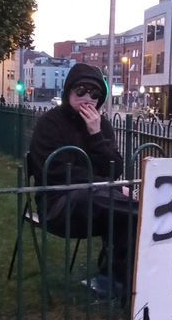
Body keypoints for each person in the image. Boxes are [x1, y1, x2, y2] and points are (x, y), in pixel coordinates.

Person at [29, 63, 138, 298]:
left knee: (126, 213)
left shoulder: (101, 125)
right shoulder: (50, 123)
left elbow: (114, 169)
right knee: (121, 204)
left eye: (95, 93)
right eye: (81, 90)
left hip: (97, 203)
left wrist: (96, 135)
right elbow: (57, 172)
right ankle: (116, 279)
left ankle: (114, 279)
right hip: (57, 203)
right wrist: (107, 185)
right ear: (68, 91)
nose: (88, 98)